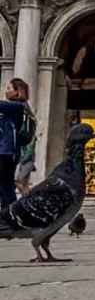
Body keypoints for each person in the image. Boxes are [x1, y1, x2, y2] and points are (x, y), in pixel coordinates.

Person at [0, 79, 32, 207]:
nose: (6, 91)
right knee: (6, 184)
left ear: (17, 91)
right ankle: (9, 213)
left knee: (5, 185)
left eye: (9, 89)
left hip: (6, 152)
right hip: (8, 151)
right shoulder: (17, 108)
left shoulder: (17, 106)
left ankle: (9, 212)